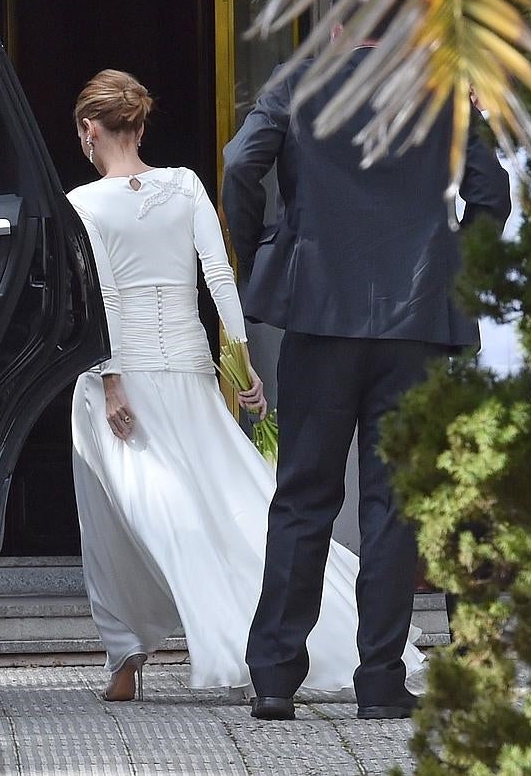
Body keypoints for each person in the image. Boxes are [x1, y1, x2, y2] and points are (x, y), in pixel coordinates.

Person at [67, 68, 425, 704]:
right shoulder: (184, 185)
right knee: (224, 500)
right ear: (141, 125)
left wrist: (112, 379)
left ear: (89, 129)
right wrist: (239, 366)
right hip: (189, 368)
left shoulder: (81, 206)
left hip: (121, 381)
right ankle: (263, 644)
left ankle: (131, 654)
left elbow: (102, 297)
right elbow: (219, 277)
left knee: (129, 521)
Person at [222, 0, 512, 721]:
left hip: (318, 315)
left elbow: (236, 166)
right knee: (392, 505)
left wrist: (261, 252)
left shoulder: (297, 86)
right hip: (416, 321)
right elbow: (491, 194)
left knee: (301, 499)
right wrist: (456, 268)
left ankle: (275, 679)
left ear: (337, 27)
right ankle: (379, 680)